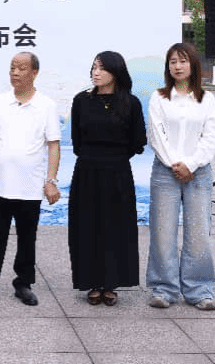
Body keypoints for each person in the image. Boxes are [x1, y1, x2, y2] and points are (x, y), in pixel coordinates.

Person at [0, 52, 61, 308]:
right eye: (12, 68)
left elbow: (53, 145)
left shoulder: (46, 106)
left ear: (34, 73)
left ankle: (23, 283)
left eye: (21, 68)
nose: (15, 72)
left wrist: (51, 180)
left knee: (27, 239)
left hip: (30, 186)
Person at [68, 51, 146, 306]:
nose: (96, 72)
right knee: (87, 226)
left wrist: (115, 157)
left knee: (116, 227)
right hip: (87, 171)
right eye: (94, 67)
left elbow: (138, 141)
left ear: (116, 71)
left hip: (118, 172)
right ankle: (91, 282)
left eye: (102, 68)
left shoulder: (131, 103)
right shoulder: (81, 100)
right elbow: (77, 141)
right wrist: (95, 156)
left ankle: (111, 283)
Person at [146, 42, 215, 310]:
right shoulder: (159, 98)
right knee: (162, 232)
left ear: (193, 65)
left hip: (198, 173)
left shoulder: (206, 99)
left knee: (199, 232)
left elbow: (211, 136)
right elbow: (156, 135)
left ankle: (199, 290)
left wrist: (191, 164)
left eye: (183, 61)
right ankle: (163, 288)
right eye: (173, 62)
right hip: (165, 172)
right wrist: (176, 165)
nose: (177, 66)